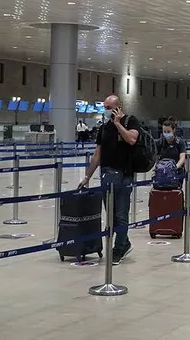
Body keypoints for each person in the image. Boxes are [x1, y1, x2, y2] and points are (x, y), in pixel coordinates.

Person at [78, 95, 139, 265]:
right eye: (104, 107)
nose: (105, 111)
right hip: (107, 174)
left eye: (109, 107)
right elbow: (97, 154)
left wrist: (118, 124)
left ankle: (118, 248)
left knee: (121, 213)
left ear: (119, 107)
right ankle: (124, 242)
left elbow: (132, 139)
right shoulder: (104, 128)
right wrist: (87, 176)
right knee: (111, 214)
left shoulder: (130, 121)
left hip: (123, 174)